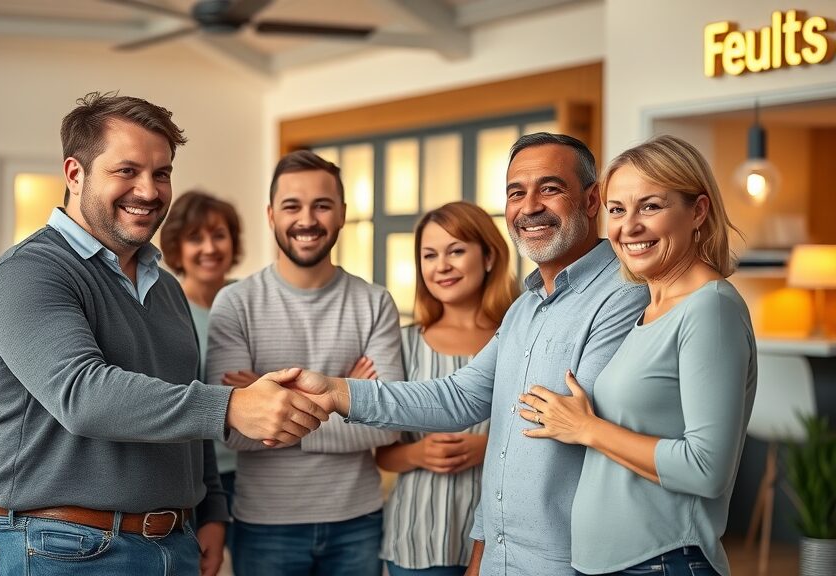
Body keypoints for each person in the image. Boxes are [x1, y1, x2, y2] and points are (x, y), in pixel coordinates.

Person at [0, 92, 328, 576]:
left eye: (161, 173)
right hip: (61, 549)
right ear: (75, 174)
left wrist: (212, 511)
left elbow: (189, 406)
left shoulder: (165, 287)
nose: (148, 190)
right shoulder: (29, 273)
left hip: (176, 543)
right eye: (127, 171)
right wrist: (232, 406)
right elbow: (83, 396)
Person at [286, 133, 651, 576]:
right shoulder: (525, 308)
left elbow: (583, 425)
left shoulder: (626, 290)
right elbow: (458, 399)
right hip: (499, 556)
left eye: (550, 188)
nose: (530, 205)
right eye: (516, 193)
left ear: (592, 200)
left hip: (572, 560)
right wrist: (338, 390)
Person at [517, 135, 757, 576]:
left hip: (663, 561)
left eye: (650, 206)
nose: (629, 227)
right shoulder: (649, 307)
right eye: (617, 209)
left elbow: (706, 469)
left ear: (698, 211)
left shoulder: (711, 308)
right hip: (619, 563)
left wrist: (587, 428)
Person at [206, 150, 404, 576]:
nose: (307, 219)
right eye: (293, 206)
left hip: (358, 519)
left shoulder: (375, 303)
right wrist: (346, 394)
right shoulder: (235, 304)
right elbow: (230, 430)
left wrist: (269, 401)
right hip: (264, 524)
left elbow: (388, 422)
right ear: (271, 214)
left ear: (342, 215)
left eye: (322, 205)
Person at [377, 201, 519, 576]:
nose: (441, 266)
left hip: (505, 541)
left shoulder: (520, 337)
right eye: (429, 255)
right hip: (417, 538)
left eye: (456, 250)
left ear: (489, 256)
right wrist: (418, 454)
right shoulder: (402, 344)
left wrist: (487, 449)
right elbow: (380, 454)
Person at [160, 189, 244, 561]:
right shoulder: (165, 307)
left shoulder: (248, 301)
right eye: (195, 238)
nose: (209, 248)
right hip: (191, 474)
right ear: (177, 248)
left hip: (252, 468)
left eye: (219, 235)